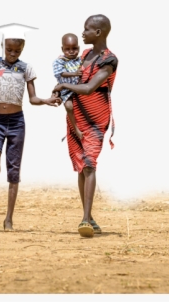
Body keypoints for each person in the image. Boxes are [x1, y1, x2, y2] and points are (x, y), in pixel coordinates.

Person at [0, 23, 60, 232]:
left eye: (17, 50)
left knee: (13, 171)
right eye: (9, 49)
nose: (13, 54)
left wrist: (46, 100)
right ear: (2, 46)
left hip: (16, 123)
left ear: (22, 49)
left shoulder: (26, 69)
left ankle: (9, 219)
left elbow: (32, 98)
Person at [52, 15, 118, 238]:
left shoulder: (109, 60)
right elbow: (72, 79)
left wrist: (62, 85)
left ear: (98, 32)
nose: (83, 33)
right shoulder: (84, 55)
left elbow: (89, 88)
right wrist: (60, 92)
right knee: (82, 166)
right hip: (76, 117)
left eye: (87, 29)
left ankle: (85, 219)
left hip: (96, 119)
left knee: (90, 163)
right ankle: (88, 218)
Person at [52, 33, 83, 140]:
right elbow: (60, 73)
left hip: (79, 88)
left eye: (74, 48)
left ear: (78, 48)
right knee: (69, 107)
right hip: (66, 90)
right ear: (62, 49)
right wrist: (75, 73)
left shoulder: (81, 59)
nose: (71, 51)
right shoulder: (59, 61)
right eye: (67, 49)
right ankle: (75, 129)